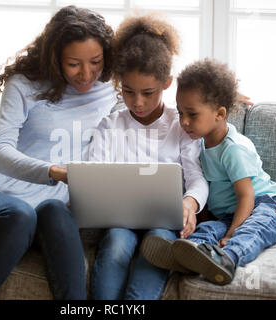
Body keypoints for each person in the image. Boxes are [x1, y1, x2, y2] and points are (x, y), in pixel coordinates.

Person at [0, 5, 118, 300]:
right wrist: (56, 172)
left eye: (96, 62)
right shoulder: (24, 84)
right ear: (55, 58)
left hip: (50, 208)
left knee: (52, 212)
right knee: (19, 214)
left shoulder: (113, 89)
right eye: (74, 64)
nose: (87, 74)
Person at [88, 13, 209, 300]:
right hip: (120, 219)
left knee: (159, 243)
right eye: (128, 91)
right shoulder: (110, 125)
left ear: (167, 83)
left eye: (148, 92)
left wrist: (189, 206)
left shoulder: (181, 126)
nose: (138, 102)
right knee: (117, 243)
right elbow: (94, 178)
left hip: (165, 221)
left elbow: (197, 180)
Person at [141, 58, 276, 285]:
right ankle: (185, 256)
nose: (184, 122)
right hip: (229, 215)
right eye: (180, 113)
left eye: (192, 114)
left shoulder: (233, 149)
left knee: (251, 231)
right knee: (206, 230)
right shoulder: (197, 144)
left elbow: (246, 196)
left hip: (264, 206)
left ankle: (227, 259)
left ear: (220, 114)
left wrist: (231, 234)